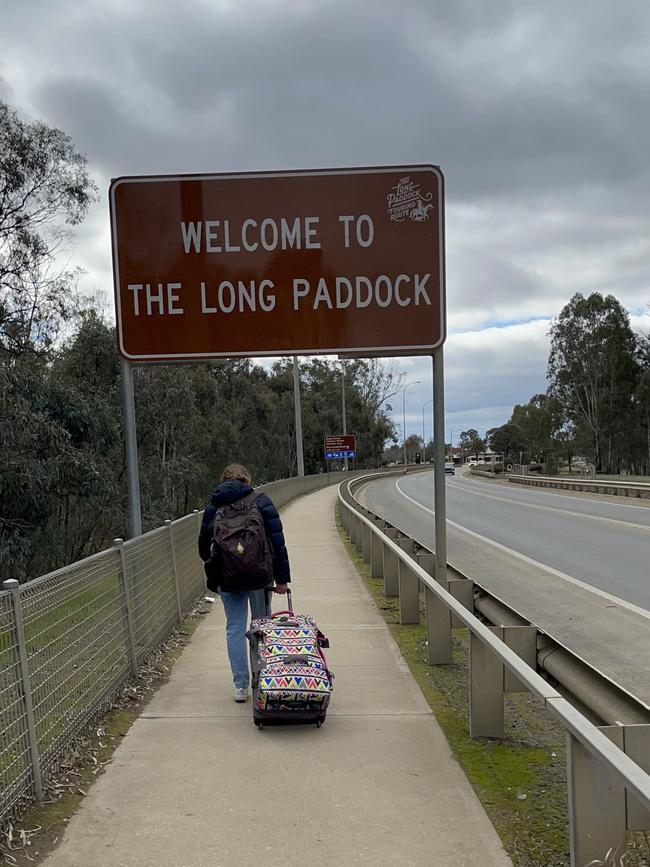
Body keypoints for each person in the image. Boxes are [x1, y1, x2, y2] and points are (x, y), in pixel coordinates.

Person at [198, 463, 290, 702]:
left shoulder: (213, 508)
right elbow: (277, 543)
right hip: (260, 576)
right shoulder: (261, 501)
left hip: (228, 578)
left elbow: (203, 548)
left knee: (235, 629)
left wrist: (218, 570)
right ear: (247, 480)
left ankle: (240, 687)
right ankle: (263, 678)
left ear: (223, 480)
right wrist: (281, 579)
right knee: (261, 627)